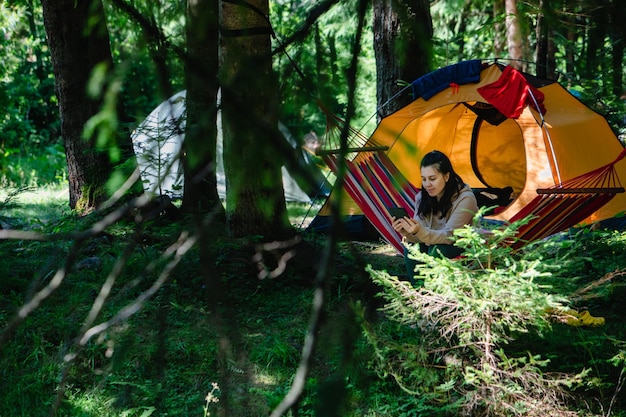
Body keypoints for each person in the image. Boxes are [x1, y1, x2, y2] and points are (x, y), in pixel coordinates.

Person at [392, 150, 478, 285]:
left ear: (446, 176)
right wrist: (407, 232)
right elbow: (419, 235)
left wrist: (419, 231)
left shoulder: (465, 199)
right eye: (424, 179)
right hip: (432, 244)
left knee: (438, 250)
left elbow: (449, 236)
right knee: (411, 246)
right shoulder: (422, 198)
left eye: (432, 179)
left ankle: (434, 293)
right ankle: (419, 291)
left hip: (461, 245)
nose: (427, 184)